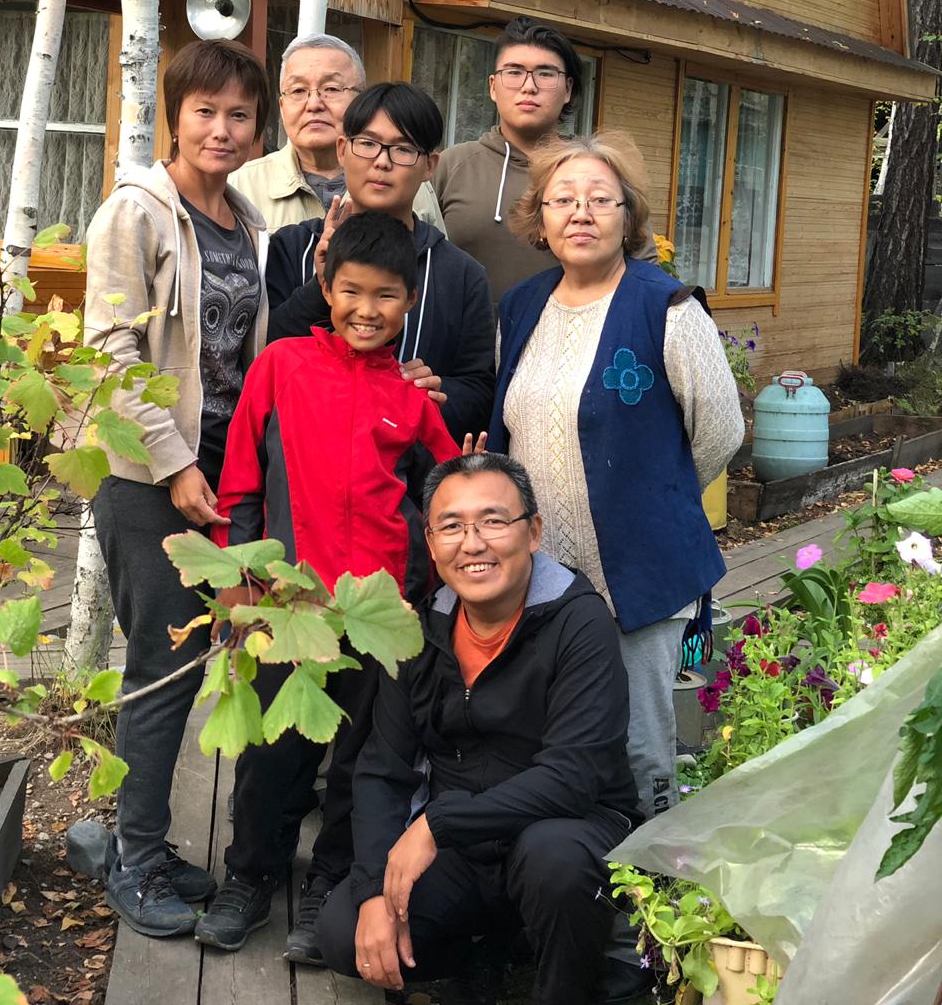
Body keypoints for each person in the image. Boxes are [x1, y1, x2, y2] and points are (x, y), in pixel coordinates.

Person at [193, 212, 463, 956]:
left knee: (361, 757)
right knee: (273, 751)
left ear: (409, 300)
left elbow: (445, 492)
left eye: (385, 295)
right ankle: (250, 874)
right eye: (351, 291)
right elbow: (240, 482)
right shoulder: (281, 366)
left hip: (378, 613)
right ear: (325, 285)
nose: (366, 310)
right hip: (289, 605)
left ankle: (331, 883)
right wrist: (241, 583)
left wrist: (419, 588)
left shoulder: (410, 399)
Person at [316, 451, 642, 1005]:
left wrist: (437, 824)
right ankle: (490, 955)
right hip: (465, 851)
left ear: (533, 532)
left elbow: (574, 776)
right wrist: (373, 890)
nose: (472, 544)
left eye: (493, 521)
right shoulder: (421, 630)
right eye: (451, 526)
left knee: (554, 861)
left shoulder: (579, 621)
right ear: (431, 541)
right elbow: (382, 769)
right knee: (343, 932)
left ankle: (565, 986)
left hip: (567, 829)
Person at [488, 133, 744, 820]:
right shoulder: (521, 306)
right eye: (562, 200)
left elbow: (720, 432)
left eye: (600, 199)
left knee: (639, 745)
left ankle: (649, 873)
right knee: (549, 735)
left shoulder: (668, 308)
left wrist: (653, 497)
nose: (581, 212)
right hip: (541, 574)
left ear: (628, 216)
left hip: (640, 568)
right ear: (539, 216)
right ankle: (567, 872)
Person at [84, 39, 271, 937]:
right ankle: (134, 860)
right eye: (205, 111)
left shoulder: (245, 222)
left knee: (189, 663)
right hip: (146, 475)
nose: (222, 128)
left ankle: (139, 840)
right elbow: (110, 351)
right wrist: (174, 463)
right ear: (175, 116)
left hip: (218, 476)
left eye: (239, 114)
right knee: (161, 668)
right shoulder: (137, 212)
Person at [266, 82, 495, 443]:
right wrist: (320, 284)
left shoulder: (461, 274)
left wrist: (438, 392)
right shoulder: (294, 247)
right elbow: (262, 354)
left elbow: (479, 392)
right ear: (343, 149)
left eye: (403, 149)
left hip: (410, 473)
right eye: (368, 144)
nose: (382, 161)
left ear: (430, 166)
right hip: (298, 464)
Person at [433, 17, 657, 304]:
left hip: (576, 331)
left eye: (546, 73)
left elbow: (645, 268)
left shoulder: (601, 172)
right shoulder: (450, 167)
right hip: (464, 334)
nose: (529, 86)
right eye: (514, 72)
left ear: (568, 89)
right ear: (493, 86)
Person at [228, 32, 443, 230]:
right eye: (298, 90)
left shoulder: (408, 181)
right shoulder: (240, 186)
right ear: (282, 108)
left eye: (331, 89)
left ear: (361, 101)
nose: (313, 104)